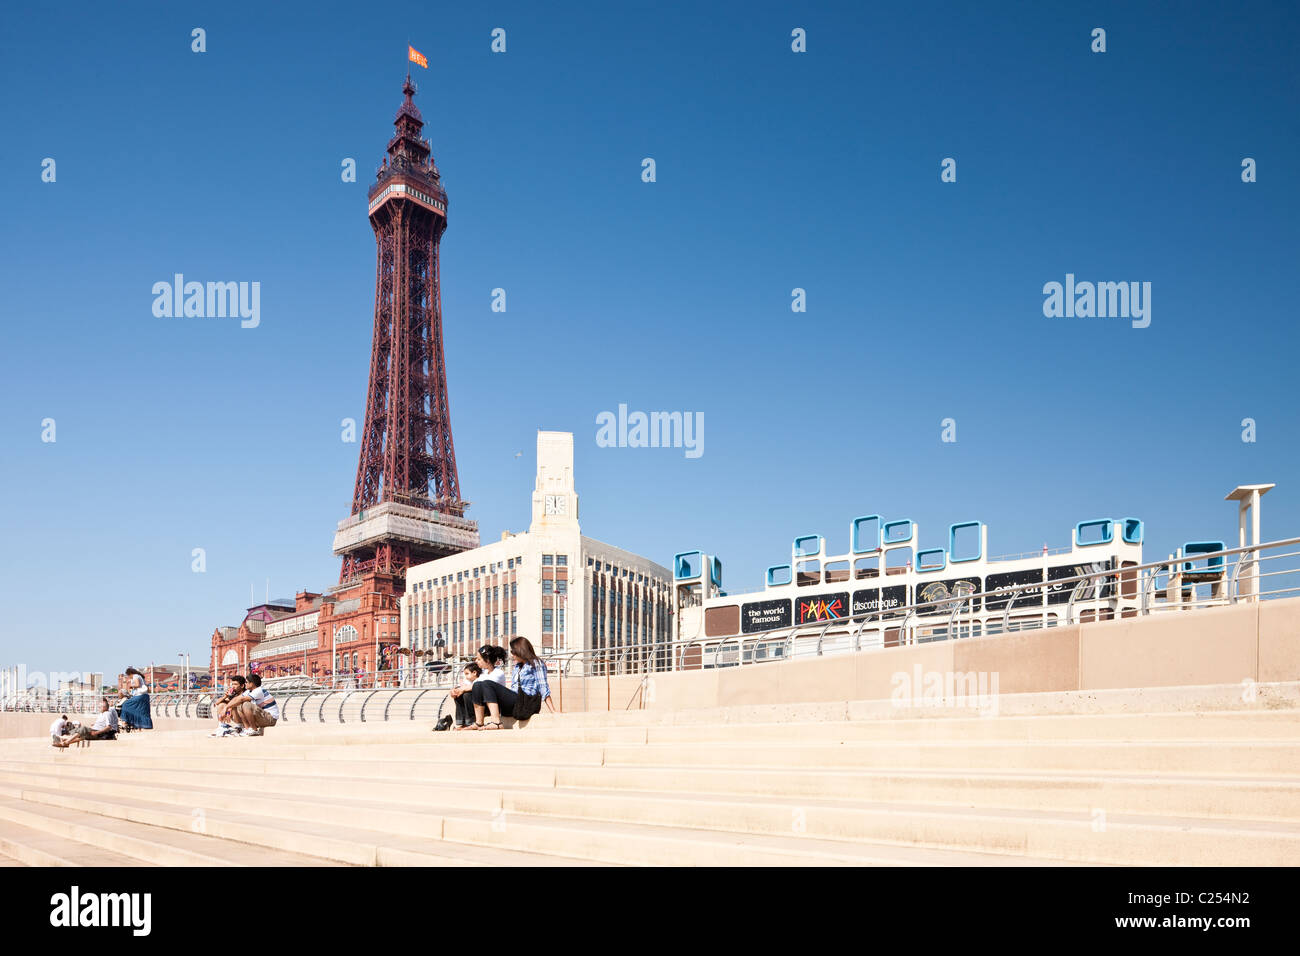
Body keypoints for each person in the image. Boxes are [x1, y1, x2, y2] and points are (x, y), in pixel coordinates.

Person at [507, 637, 556, 725]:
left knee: (488, 685)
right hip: (515, 701)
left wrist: (553, 710)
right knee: (482, 686)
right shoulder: (517, 667)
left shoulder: (536, 664)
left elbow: (543, 686)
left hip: (527, 701)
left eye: (513, 651)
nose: (512, 655)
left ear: (520, 650)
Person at [435, 660, 481, 731]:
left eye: (467, 674)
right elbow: (459, 687)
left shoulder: (479, 680)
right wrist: (454, 691)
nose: (465, 676)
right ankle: (462, 722)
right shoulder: (468, 681)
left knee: (467, 695)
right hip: (472, 704)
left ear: (474, 673)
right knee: (459, 695)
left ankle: (470, 722)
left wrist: (463, 689)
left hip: (480, 705)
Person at [53, 699, 118, 748]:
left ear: (104, 707)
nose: (98, 707)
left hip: (97, 733)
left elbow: (109, 727)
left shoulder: (107, 714)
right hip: (94, 730)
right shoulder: (102, 714)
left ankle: (66, 741)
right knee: (81, 735)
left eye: (100, 706)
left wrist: (96, 732)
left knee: (83, 728)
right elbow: (101, 724)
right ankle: (64, 741)